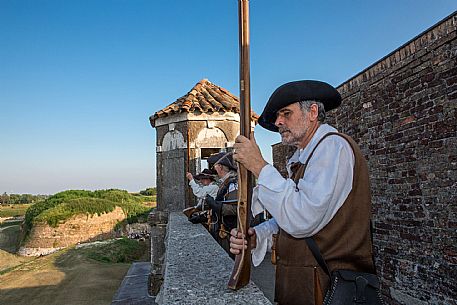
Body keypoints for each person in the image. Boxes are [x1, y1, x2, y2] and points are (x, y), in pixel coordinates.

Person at [230, 80, 376, 305]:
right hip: (303, 287)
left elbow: (303, 218)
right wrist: (257, 237)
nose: (278, 122)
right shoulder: (305, 158)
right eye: (279, 116)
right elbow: (288, 219)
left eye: (286, 113)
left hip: (327, 289)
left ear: (313, 113)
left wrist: (259, 165)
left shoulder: (333, 148)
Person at [206, 152, 238, 252]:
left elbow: (235, 209)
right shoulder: (227, 182)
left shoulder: (233, 182)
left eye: (215, 167)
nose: (215, 170)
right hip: (226, 230)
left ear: (219, 167)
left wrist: (214, 204)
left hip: (231, 232)